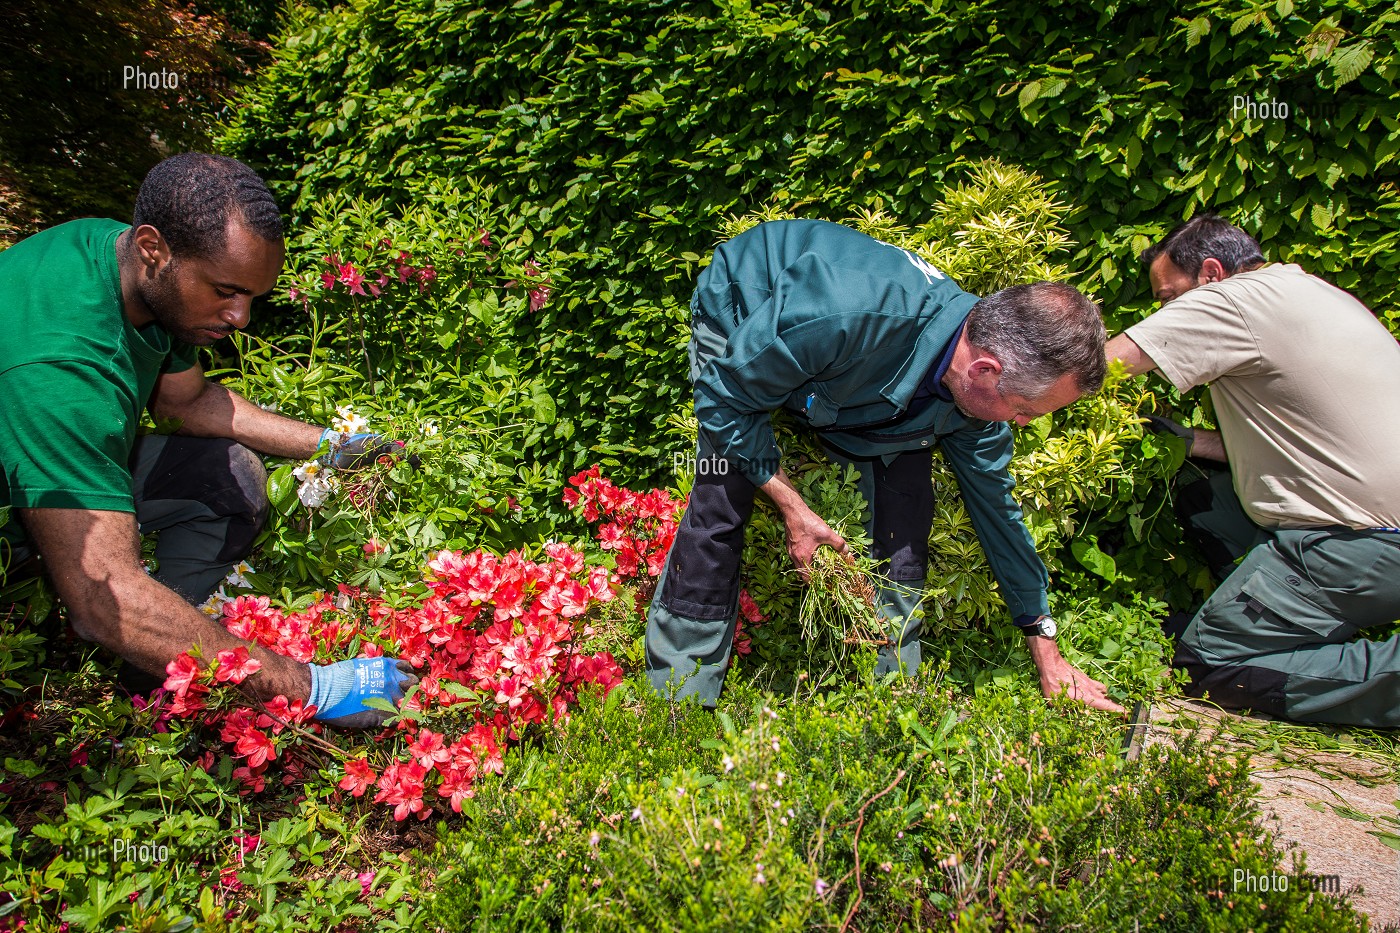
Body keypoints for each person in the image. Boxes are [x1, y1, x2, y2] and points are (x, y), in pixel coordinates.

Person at [0, 153, 413, 729]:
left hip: (51, 454)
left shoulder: (126, 265)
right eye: (225, 290)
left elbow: (187, 401)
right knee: (103, 595)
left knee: (228, 477)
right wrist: (309, 685)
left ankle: (157, 657)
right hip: (15, 500)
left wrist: (337, 444)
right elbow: (105, 596)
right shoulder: (63, 369)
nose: (240, 316)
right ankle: (130, 643)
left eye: (251, 295)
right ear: (153, 249)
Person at [645, 218, 1122, 713]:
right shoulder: (840, 313)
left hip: (841, 369)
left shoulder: (971, 386)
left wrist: (1046, 648)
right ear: (985, 371)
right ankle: (678, 695)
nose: (1021, 424)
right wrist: (793, 507)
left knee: (907, 490)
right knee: (723, 490)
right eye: (1026, 409)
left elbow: (998, 513)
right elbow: (726, 402)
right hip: (748, 307)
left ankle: (892, 691)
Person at [1106, 213, 1400, 728]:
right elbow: (1296, 443)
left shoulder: (1231, 301)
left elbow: (1105, 365)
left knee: (1206, 665)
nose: (1167, 313)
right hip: (1371, 533)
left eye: (1169, 297)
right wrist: (1182, 439)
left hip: (1362, 544)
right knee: (1202, 492)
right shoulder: (1307, 293)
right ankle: (1271, 619)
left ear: (1212, 274)